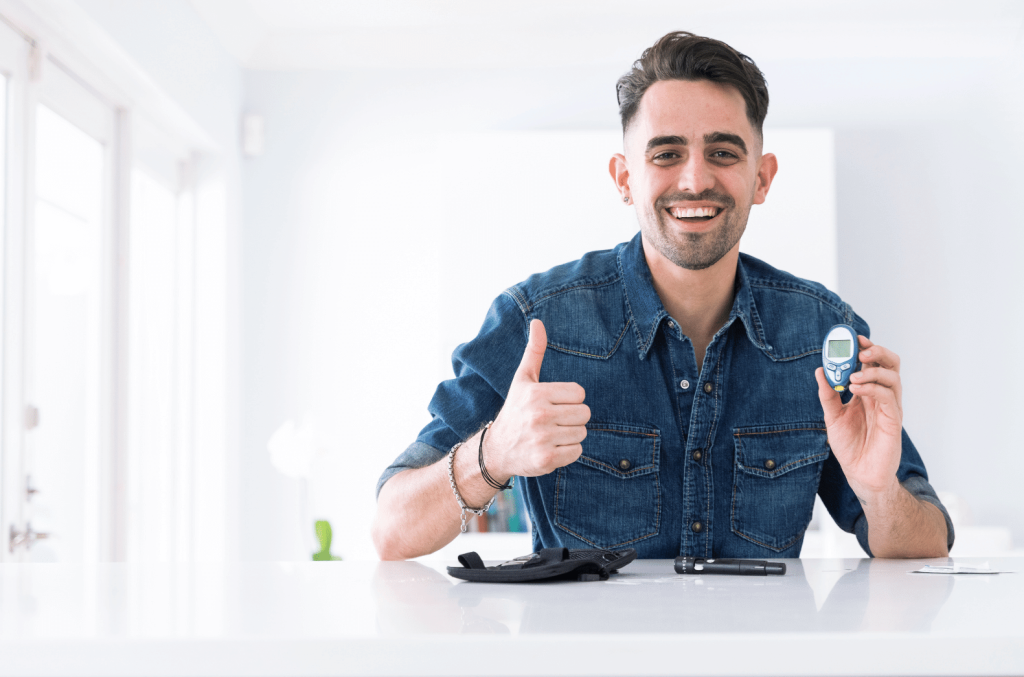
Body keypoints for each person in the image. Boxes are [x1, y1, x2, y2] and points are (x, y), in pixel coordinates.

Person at [372, 31, 953, 561]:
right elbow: (392, 530)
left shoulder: (823, 333)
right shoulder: (535, 320)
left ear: (762, 178)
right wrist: (494, 454)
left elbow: (926, 544)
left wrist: (878, 491)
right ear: (625, 178)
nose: (695, 179)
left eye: (723, 152)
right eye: (666, 153)